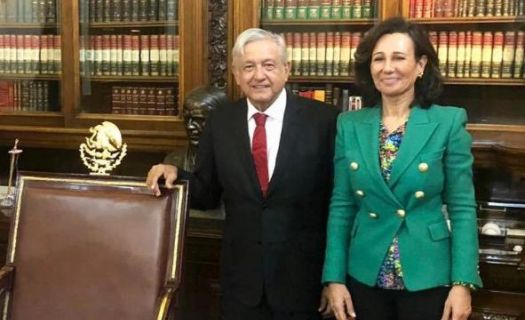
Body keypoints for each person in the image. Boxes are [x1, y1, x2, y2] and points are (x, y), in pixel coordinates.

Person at [147, 28, 339, 319]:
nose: (258, 75)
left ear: (287, 70)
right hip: (241, 284)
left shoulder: (325, 121)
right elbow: (206, 192)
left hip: (304, 283)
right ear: (236, 74)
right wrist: (174, 172)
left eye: (268, 65)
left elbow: (340, 204)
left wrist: (333, 278)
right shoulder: (221, 122)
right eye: (248, 66)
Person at [322, 17, 482, 320]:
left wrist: (463, 283)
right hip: (364, 272)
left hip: (428, 273)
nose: (387, 67)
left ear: (420, 65)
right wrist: (334, 277)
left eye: (399, 57)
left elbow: (462, 207)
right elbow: (342, 205)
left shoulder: (448, 122)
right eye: (378, 59)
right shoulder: (349, 124)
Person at [163, 86, 228, 171]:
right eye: (187, 119)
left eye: (198, 120)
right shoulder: (174, 161)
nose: (190, 126)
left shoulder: (236, 163)